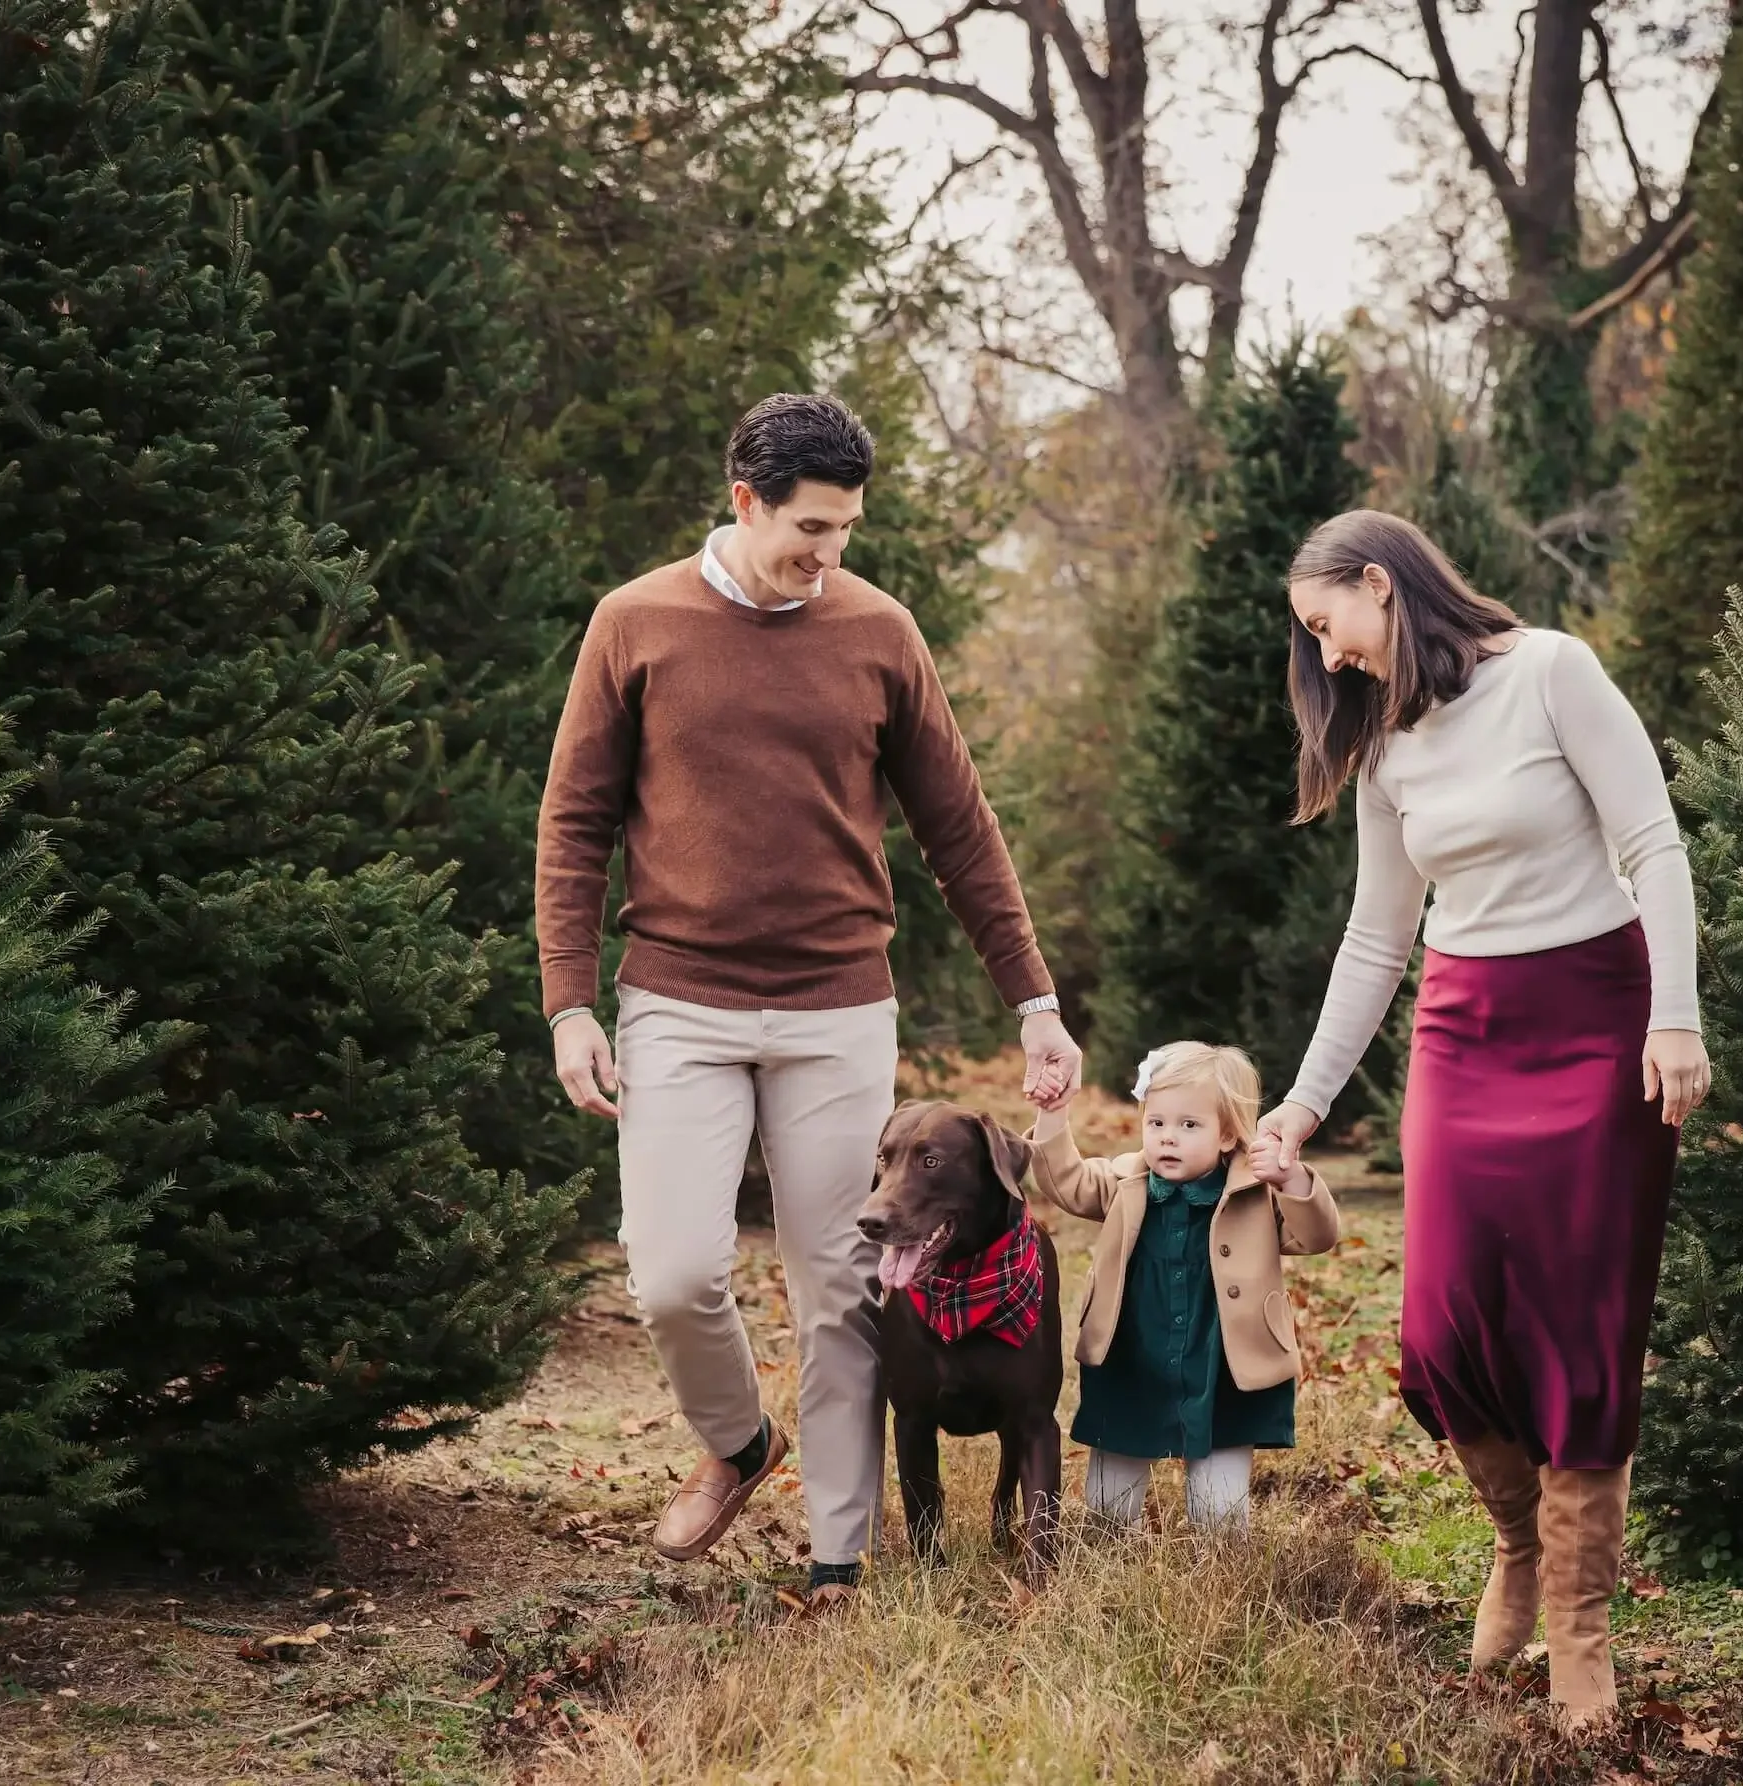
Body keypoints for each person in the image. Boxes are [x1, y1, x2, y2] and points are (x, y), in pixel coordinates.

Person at [534, 394, 1082, 1607]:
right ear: (744, 501)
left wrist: (1033, 999)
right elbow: (573, 821)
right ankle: (737, 1444)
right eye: (810, 529)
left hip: (838, 1007)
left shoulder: (879, 631)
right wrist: (570, 1002)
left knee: (843, 1284)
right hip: (676, 997)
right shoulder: (634, 622)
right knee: (672, 1270)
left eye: (845, 531)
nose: (827, 555)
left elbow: (959, 827)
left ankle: (840, 1559)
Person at [1248, 510, 1709, 1725]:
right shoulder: (1388, 745)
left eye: (1325, 625)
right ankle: (1514, 1544)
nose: (1328, 657)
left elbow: (1653, 844)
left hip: (1599, 1017)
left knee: (1582, 1320)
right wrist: (1300, 1107)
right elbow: (1373, 937)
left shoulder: (1553, 671)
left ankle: (1579, 1631)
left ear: (1378, 582)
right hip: (1462, 1034)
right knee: (1440, 1328)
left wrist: (1677, 1017)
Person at [1027, 1042, 1339, 1537]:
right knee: (1108, 1508)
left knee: (1219, 1513)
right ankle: (1112, 1561)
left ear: (1228, 1134)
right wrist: (1052, 1115)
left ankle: (1218, 1562)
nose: (1167, 1139)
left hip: (1225, 1361)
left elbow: (1317, 1236)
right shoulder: (1125, 1180)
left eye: (1189, 1126)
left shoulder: (1257, 1190)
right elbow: (1065, 1182)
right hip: (1132, 1354)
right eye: (1157, 1123)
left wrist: (1293, 1179)